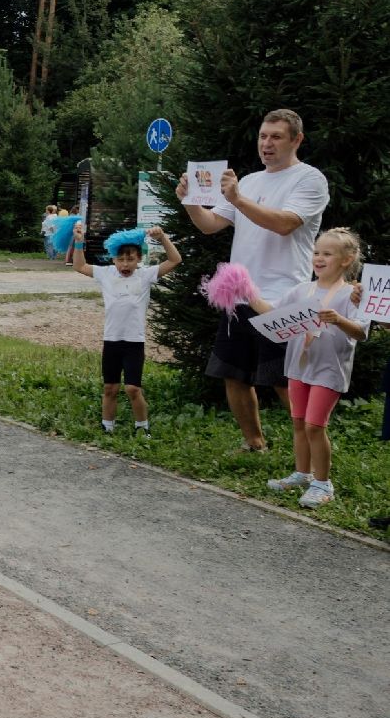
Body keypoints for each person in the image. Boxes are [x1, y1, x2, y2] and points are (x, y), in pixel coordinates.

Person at [178, 108, 329, 451]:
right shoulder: (249, 181)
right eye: (263, 136)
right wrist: (189, 200)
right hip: (238, 296)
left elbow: (285, 223)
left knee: (284, 380)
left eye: (276, 136)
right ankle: (255, 443)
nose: (267, 143)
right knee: (233, 373)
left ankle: (308, 456)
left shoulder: (309, 179)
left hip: (282, 297)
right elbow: (210, 225)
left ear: (297, 140)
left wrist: (239, 200)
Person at [248, 229, 368, 507]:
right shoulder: (301, 290)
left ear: (347, 260)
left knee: (315, 426)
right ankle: (302, 474)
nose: (319, 258)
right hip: (299, 368)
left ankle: (323, 484)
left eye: (327, 253)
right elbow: (272, 313)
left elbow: (361, 332)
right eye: (316, 252)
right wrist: (246, 292)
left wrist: (338, 319)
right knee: (299, 422)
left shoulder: (353, 294)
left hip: (329, 369)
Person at [72, 223, 182, 435]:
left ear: (139, 259)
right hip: (111, 340)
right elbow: (80, 266)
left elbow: (175, 259)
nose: (125, 264)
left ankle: (142, 428)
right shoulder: (106, 274)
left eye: (130, 259)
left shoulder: (145, 275)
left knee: (133, 388)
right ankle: (107, 427)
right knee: (110, 388)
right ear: (113, 258)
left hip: (134, 342)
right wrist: (78, 241)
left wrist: (163, 238)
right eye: (120, 259)